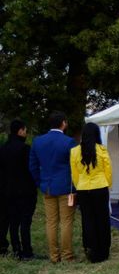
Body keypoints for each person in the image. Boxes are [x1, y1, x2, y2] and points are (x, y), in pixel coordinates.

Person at [29, 111, 77, 263]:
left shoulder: (38, 141)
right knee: (66, 222)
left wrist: (40, 183)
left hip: (47, 187)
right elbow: (75, 167)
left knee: (51, 222)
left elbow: (33, 166)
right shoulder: (69, 142)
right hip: (65, 187)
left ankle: (54, 256)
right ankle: (67, 255)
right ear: (63, 123)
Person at [70, 123, 112, 263]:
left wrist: (79, 185)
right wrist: (108, 185)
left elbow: (74, 174)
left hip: (83, 189)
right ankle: (103, 250)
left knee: (87, 219)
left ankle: (90, 248)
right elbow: (108, 171)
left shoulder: (74, 151)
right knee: (102, 219)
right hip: (100, 187)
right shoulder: (102, 150)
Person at [0, 120, 38, 259]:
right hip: (25, 191)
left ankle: (16, 248)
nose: (26, 133)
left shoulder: (3, 148)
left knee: (13, 222)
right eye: (25, 130)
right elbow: (32, 170)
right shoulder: (25, 149)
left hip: (7, 191)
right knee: (25, 221)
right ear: (21, 131)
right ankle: (26, 250)